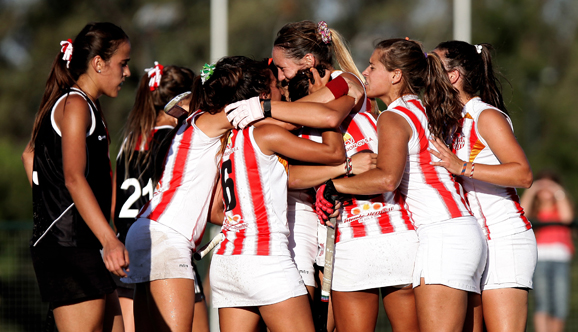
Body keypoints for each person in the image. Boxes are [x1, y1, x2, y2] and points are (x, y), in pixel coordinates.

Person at [316, 38, 487, 332]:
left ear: (396, 75)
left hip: (441, 234)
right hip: (462, 230)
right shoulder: (426, 107)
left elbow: (386, 178)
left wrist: (334, 184)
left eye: (372, 66)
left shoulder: (393, 116)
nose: (365, 73)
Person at [210, 58, 357, 332]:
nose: (282, 91)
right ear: (262, 96)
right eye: (276, 86)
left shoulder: (227, 137)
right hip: (264, 257)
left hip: (227, 261)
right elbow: (334, 152)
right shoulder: (265, 132)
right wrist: (341, 107)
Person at [21, 22, 131, 332]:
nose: (127, 73)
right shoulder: (75, 105)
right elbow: (73, 177)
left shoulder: (85, 105)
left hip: (79, 244)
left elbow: (29, 155)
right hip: (68, 247)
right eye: (123, 64)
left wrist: (52, 201)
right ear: (99, 63)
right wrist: (109, 238)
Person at [429, 40, 536, 332]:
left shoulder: (485, 115)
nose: (427, 72)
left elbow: (523, 174)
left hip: (505, 238)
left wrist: (461, 167)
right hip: (471, 245)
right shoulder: (449, 121)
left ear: (453, 76)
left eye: (432, 64)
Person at [112, 62, 209, 332]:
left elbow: (113, 204)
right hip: (164, 244)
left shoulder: (129, 143)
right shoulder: (174, 139)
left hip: (125, 250)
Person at [521, 171, 574, 332]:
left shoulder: (561, 207)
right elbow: (521, 212)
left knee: (560, 306)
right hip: (540, 258)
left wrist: (557, 191)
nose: (546, 189)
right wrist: (532, 190)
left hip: (561, 259)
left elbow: (567, 219)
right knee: (542, 303)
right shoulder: (534, 211)